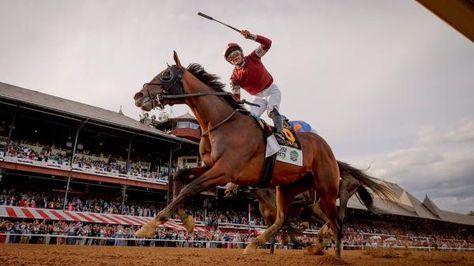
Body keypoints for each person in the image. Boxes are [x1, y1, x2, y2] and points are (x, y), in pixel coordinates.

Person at [224, 30, 284, 141]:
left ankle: (280, 134)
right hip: (257, 98)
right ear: (230, 62)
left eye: (235, 54)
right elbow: (236, 98)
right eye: (230, 58)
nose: (234, 58)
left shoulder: (253, 57)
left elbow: (268, 43)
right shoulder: (234, 78)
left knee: (272, 111)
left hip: (271, 90)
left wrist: (251, 36)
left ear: (241, 53)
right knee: (251, 118)